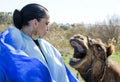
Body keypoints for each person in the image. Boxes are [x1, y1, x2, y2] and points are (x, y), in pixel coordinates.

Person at [0, 3, 79, 82]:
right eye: (46, 23)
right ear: (35, 23)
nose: (48, 28)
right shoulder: (11, 44)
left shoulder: (46, 47)